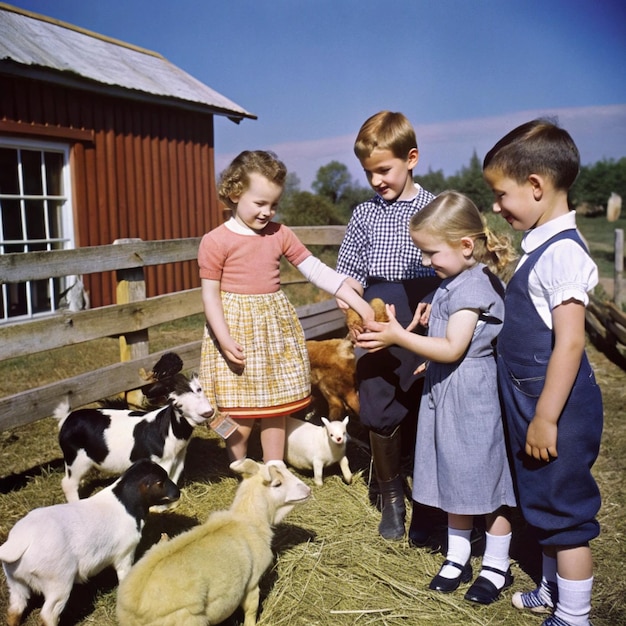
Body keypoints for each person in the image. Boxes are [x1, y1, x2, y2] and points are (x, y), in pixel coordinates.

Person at [357, 191, 518, 604]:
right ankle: (458, 553)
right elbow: (448, 344)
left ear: (466, 246)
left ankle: (497, 565)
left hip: (471, 400)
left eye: (431, 253)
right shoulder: (454, 282)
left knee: (483, 480)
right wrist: (430, 323)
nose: (427, 262)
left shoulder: (473, 286)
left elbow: (453, 348)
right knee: (452, 472)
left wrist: (398, 335)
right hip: (447, 393)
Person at [483, 119, 603, 626]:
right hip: (533, 400)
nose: (495, 206)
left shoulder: (563, 256)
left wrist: (547, 417)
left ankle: (574, 615)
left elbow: (570, 341)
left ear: (535, 186)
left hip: (554, 405)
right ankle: (552, 587)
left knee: (566, 513)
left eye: (500, 193)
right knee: (542, 496)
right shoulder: (541, 246)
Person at [198, 150, 374, 465]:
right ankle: (239, 468)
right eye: (260, 203)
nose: (267, 212)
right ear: (236, 193)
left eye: (274, 205)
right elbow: (210, 296)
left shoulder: (280, 234)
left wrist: (355, 298)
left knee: (274, 408)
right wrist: (224, 339)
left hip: (272, 333)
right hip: (235, 331)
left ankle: (274, 467)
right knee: (241, 410)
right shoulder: (215, 241)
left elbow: (316, 269)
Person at [336, 111, 441, 541]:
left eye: (385, 169)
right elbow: (348, 278)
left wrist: (439, 299)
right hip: (378, 313)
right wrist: (354, 312)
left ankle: (431, 498)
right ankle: (392, 497)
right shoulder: (364, 215)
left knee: (425, 398)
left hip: (427, 312)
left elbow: (452, 267)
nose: (377, 179)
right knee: (379, 401)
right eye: (369, 173)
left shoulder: (435, 209)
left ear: (411, 158)